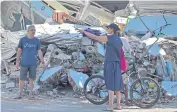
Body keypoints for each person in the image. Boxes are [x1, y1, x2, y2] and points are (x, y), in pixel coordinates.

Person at [78, 23, 124, 110]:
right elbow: (121, 53)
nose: (107, 29)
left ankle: (110, 106)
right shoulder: (119, 39)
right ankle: (118, 105)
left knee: (110, 85)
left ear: (112, 30)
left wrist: (84, 32)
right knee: (117, 86)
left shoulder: (109, 37)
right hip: (117, 64)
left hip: (110, 63)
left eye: (109, 28)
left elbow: (95, 37)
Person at [15, 25, 45, 100]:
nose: (33, 31)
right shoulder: (22, 40)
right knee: (22, 79)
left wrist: (42, 61)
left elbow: (39, 51)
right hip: (24, 63)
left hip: (33, 63)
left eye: (34, 30)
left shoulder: (37, 40)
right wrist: (17, 61)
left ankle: (30, 94)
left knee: (32, 79)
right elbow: (19, 50)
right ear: (28, 31)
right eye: (32, 30)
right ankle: (20, 94)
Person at [120, 32, 133, 106]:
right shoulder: (124, 39)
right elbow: (129, 50)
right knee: (125, 83)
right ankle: (126, 101)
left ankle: (111, 100)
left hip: (114, 63)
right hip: (122, 63)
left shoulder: (111, 39)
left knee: (114, 83)